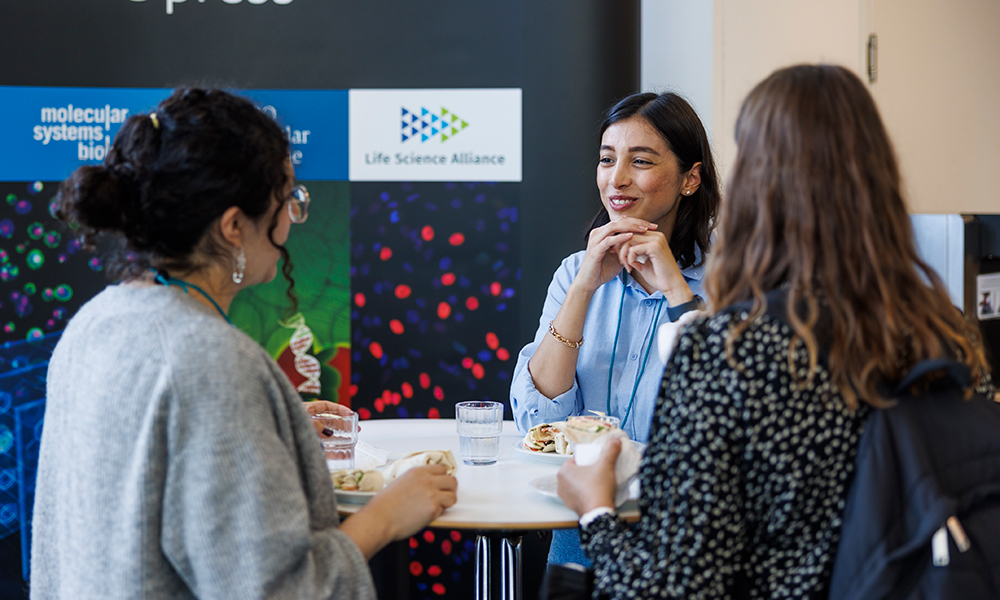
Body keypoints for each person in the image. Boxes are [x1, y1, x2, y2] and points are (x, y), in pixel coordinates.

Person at [556, 64, 993, 598]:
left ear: (760, 184)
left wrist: (597, 511)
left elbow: (673, 586)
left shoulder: (728, 349)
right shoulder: (947, 334)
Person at [30, 88, 457, 600]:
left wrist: (277, 426)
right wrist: (386, 516)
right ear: (234, 226)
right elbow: (277, 590)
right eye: (288, 200)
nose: (292, 219)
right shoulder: (212, 361)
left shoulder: (93, 323)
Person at [510, 92, 720, 565]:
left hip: (687, 527)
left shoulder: (735, 277)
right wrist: (583, 287)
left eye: (640, 161)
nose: (617, 180)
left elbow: (726, 408)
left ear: (690, 178)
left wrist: (674, 289)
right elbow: (537, 418)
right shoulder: (575, 272)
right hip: (582, 524)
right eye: (607, 160)